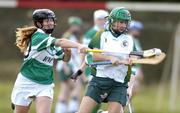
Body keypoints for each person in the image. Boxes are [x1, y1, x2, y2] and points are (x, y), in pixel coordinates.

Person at [11, 9, 85, 113]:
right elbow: (60, 41)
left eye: (51, 20)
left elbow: (65, 59)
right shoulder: (38, 37)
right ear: (38, 23)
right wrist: (79, 46)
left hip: (45, 84)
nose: (50, 23)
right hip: (26, 81)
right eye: (47, 21)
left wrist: (68, 53)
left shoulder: (49, 40)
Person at [77, 7, 134, 113]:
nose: (123, 25)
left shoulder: (129, 40)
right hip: (99, 81)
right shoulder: (101, 34)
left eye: (125, 23)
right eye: (121, 22)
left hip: (119, 84)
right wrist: (110, 58)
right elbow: (94, 56)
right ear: (112, 20)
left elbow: (133, 60)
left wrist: (132, 61)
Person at [55, 16, 85, 113]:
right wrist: (65, 66)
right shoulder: (68, 36)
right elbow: (63, 51)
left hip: (65, 67)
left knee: (65, 90)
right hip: (67, 67)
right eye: (74, 25)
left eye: (77, 26)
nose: (76, 28)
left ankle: (61, 110)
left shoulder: (74, 37)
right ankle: (72, 110)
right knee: (76, 88)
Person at [82, 9, 109, 113]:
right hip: (92, 69)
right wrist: (83, 71)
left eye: (104, 19)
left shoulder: (108, 33)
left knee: (100, 97)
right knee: (94, 97)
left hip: (104, 68)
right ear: (95, 20)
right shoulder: (91, 33)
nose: (102, 21)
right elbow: (85, 54)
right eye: (99, 19)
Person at [128, 20, 144, 100]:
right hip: (130, 68)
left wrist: (140, 70)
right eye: (137, 30)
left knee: (134, 90)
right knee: (130, 89)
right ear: (131, 29)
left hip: (136, 69)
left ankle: (126, 105)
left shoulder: (137, 41)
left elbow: (139, 57)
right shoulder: (128, 40)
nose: (138, 32)